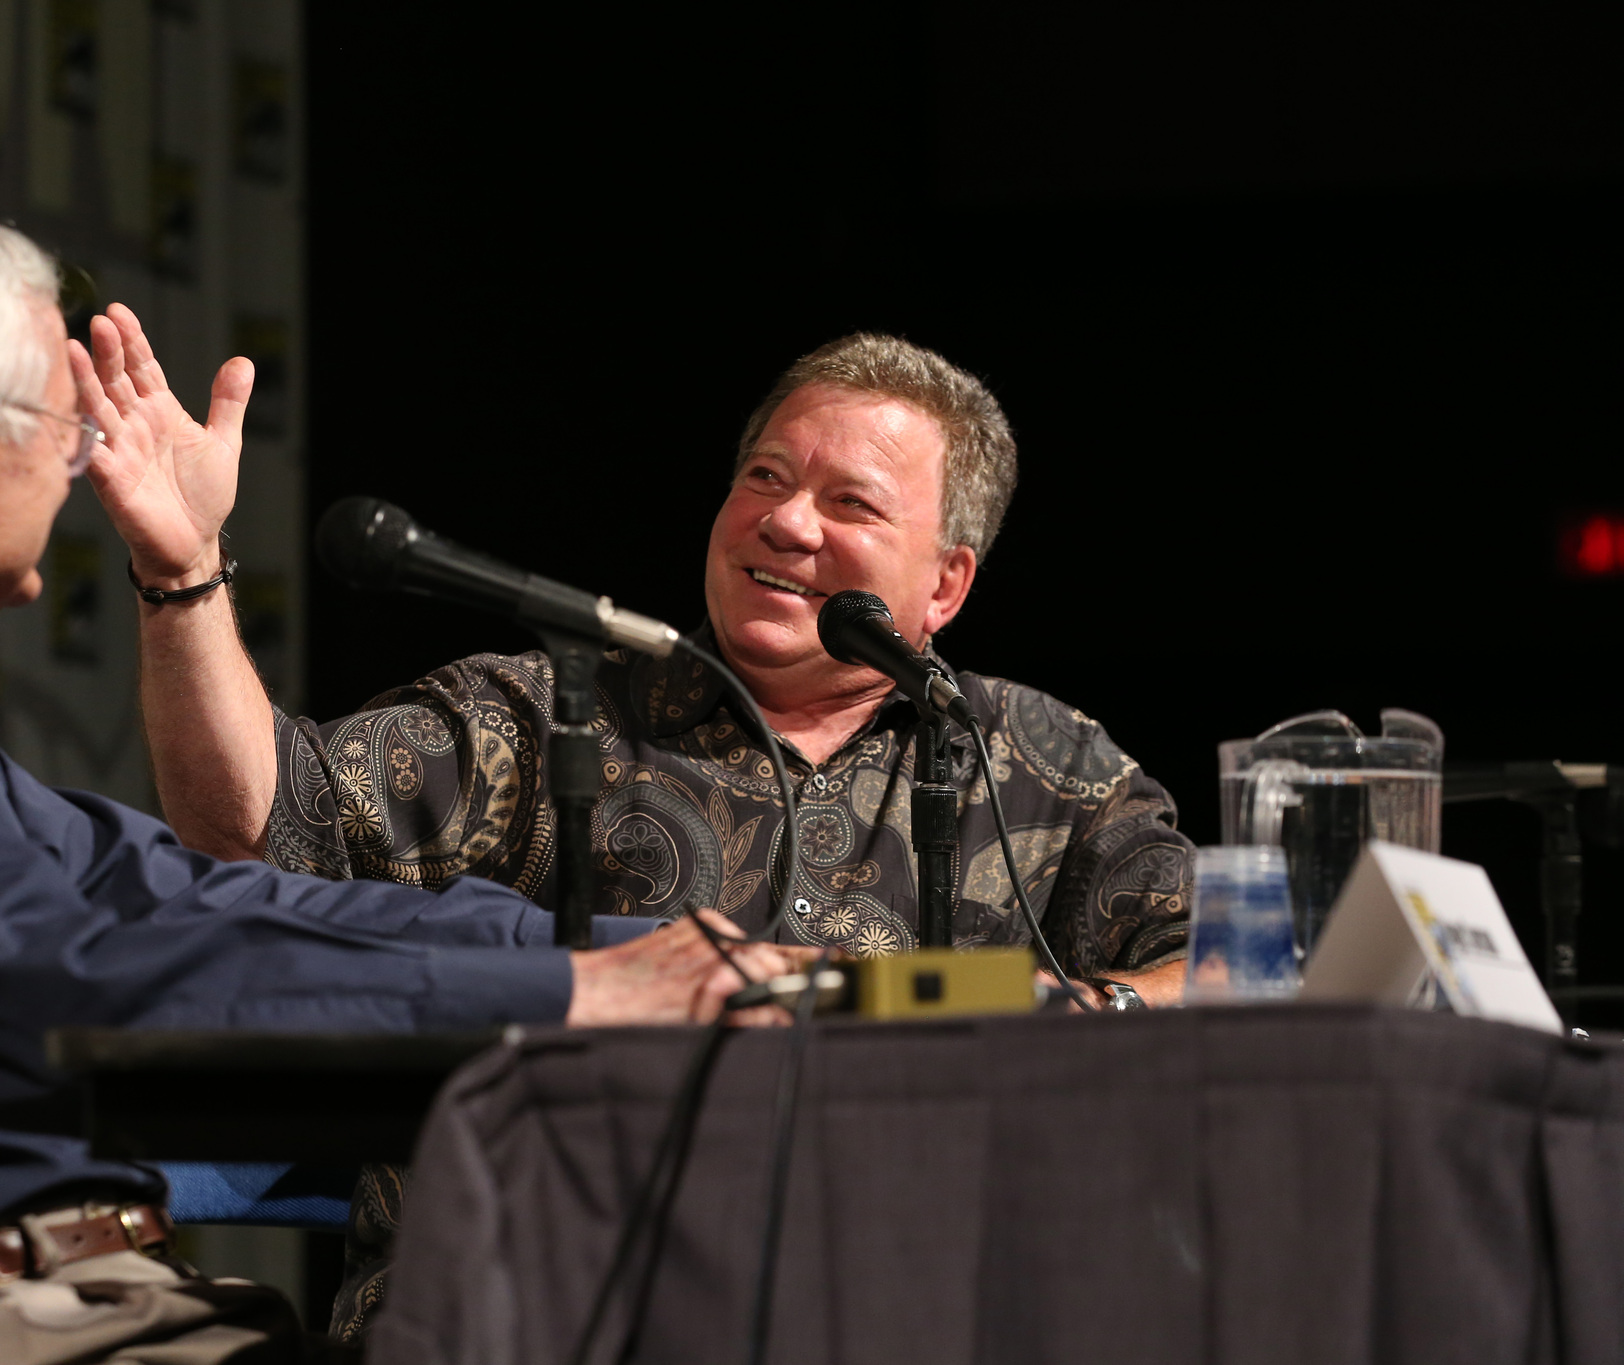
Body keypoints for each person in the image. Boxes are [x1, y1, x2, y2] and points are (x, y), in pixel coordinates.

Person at [0, 181, 790, 1359]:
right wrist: (565, 1002)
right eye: (65, 427)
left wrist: (603, 960)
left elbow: (173, 893)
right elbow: (77, 974)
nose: (78, 468)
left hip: (53, 1312)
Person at [111, 333, 1196, 1335]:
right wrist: (183, 572)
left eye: (850, 503)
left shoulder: (1045, 767)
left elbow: (1250, 969)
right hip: (523, 1320)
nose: (786, 522)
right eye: (764, 477)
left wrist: (1080, 1012)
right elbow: (253, 834)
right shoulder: (548, 715)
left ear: (944, 583)